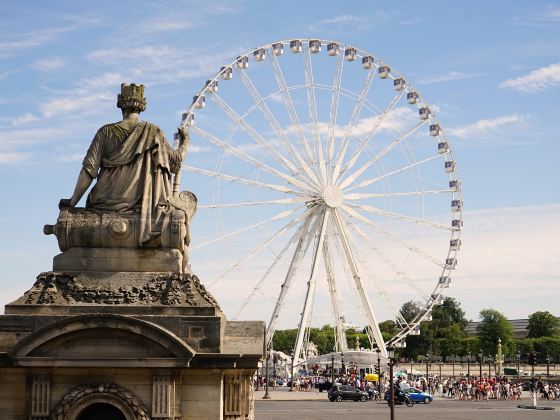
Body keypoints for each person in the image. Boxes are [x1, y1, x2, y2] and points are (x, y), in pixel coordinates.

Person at [64, 83, 189, 247]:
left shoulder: (105, 132)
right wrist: (185, 141)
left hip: (105, 201)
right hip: (143, 206)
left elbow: (89, 170)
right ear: (142, 106)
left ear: (120, 104)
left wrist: (73, 201)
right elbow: (176, 163)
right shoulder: (153, 132)